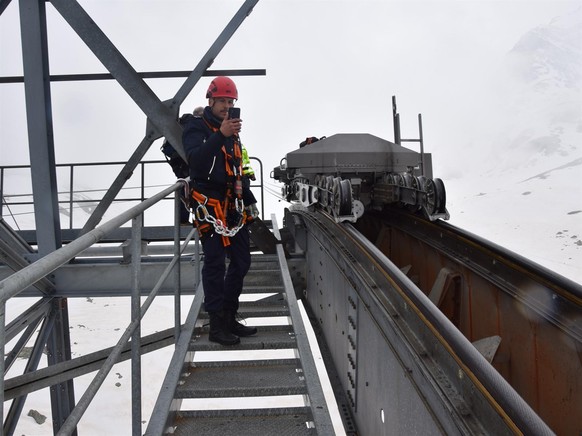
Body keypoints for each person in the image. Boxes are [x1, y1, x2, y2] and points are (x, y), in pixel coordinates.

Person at [182, 76, 258, 346]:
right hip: (209, 206)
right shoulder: (196, 127)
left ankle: (228, 316)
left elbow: (236, 169)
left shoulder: (233, 133)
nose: (226, 106)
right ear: (210, 101)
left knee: (241, 262)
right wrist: (220, 135)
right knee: (214, 263)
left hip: (232, 205)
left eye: (230, 101)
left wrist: (249, 199)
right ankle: (216, 324)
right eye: (222, 101)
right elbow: (197, 163)